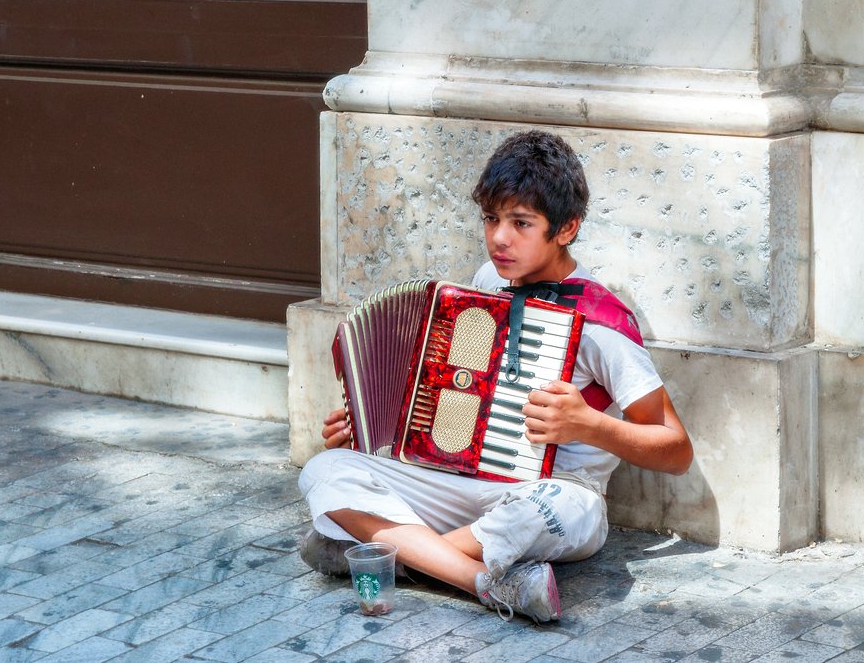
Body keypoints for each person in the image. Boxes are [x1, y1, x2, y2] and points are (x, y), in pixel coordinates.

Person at [297, 130, 693, 623]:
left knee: (554, 510)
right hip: (464, 483)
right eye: (491, 218)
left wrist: (590, 425)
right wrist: (367, 426)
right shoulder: (488, 282)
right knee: (325, 469)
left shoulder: (600, 322)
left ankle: (393, 551)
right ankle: (483, 581)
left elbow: (676, 450)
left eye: (520, 223)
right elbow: (454, 399)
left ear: (566, 228)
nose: (499, 238)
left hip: (555, 491)